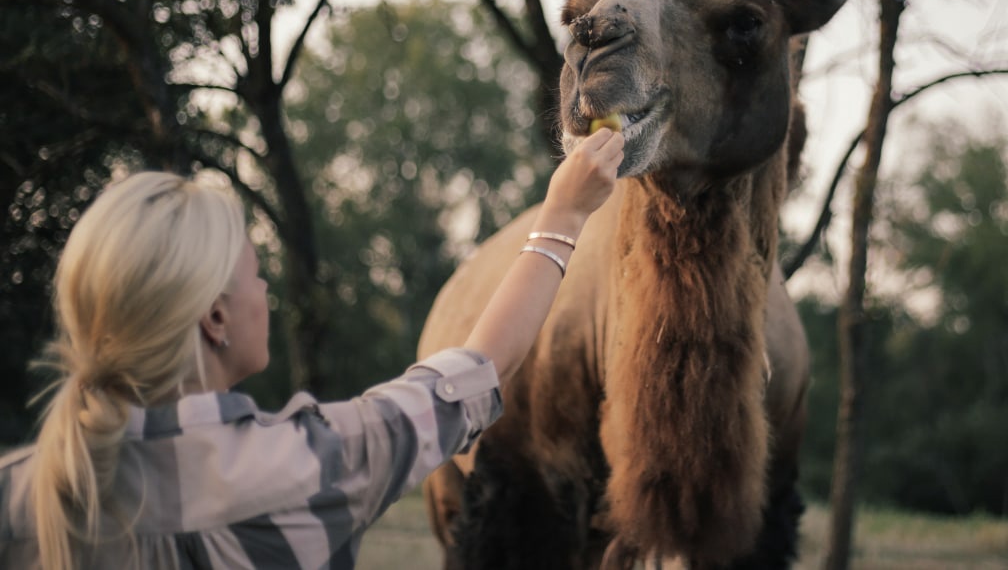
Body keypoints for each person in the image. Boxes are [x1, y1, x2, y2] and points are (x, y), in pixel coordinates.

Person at [0, 127, 624, 569]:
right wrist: (564, 215)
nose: (265, 286)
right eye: (254, 271)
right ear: (215, 318)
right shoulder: (314, 465)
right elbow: (484, 366)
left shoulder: (19, 495)